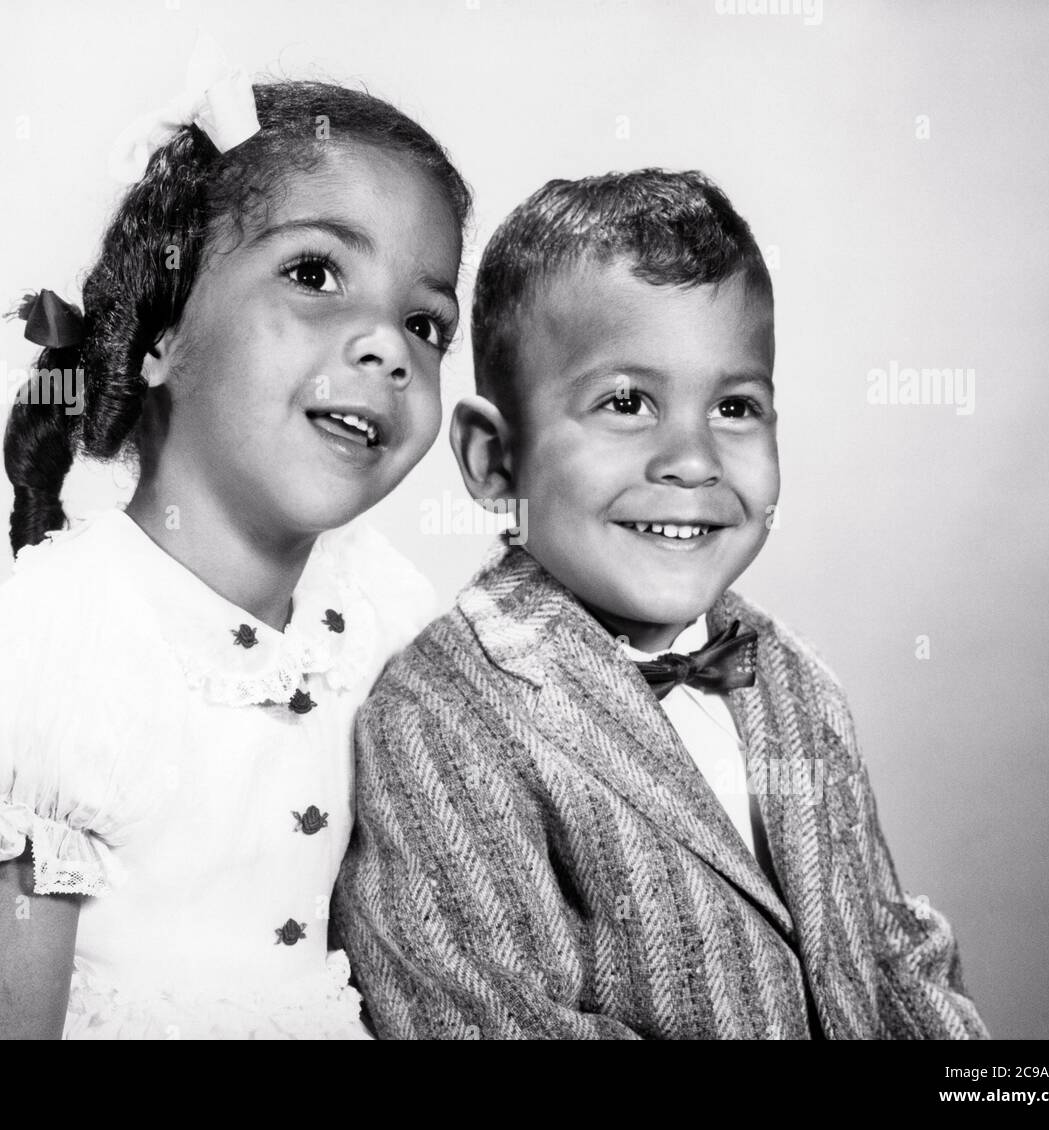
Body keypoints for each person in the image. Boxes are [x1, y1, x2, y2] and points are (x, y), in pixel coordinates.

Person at [0, 73, 469, 1039]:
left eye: (426, 322)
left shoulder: (381, 606)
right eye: (316, 274)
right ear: (161, 332)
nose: (387, 346)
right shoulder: (62, 651)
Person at [333, 169, 989, 1040]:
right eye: (628, 402)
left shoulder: (796, 682)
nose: (692, 459)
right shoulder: (441, 720)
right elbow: (487, 1020)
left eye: (734, 406)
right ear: (494, 461)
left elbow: (892, 958)